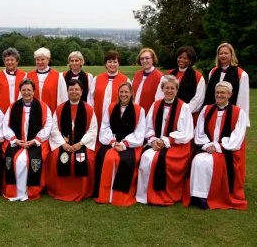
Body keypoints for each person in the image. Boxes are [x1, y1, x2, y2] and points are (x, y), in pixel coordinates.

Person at [185, 81, 247, 210]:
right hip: (206, 147)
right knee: (198, 160)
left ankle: (206, 196)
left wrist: (218, 147)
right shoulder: (206, 109)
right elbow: (199, 132)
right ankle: (196, 195)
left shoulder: (238, 113)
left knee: (209, 163)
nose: (219, 95)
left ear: (230, 94)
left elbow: (237, 137)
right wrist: (207, 145)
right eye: (217, 92)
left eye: (223, 93)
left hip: (226, 150)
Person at [136, 75, 193, 205]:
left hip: (177, 145)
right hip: (156, 143)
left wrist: (166, 141)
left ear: (177, 90)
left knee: (160, 160)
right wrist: (153, 140)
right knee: (146, 158)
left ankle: (163, 193)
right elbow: (148, 126)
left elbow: (186, 132)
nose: (169, 91)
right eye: (166, 88)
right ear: (162, 89)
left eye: (172, 88)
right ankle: (144, 194)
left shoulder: (183, 107)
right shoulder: (156, 105)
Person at [94, 82, 146, 206]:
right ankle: (105, 194)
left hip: (130, 144)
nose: (123, 94)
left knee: (124, 160)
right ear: (118, 93)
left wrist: (125, 143)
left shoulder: (139, 110)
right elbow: (105, 127)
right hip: (111, 142)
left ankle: (119, 195)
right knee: (108, 157)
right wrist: (112, 142)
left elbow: (140, 132)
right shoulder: (111, 107)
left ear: (131, 94)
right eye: (121, 92)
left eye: (126, 92)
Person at [47, 79, 97, 202]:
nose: (74, 92)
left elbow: (92, 130)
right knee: (55, 157)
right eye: (71, 89)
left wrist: (80, 144)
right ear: (67, 91)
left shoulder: (88, 109)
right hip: (63, 144)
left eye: (76, 89)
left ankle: (83, 191)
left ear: (81, 91)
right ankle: (60, 190)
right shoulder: (60, 109)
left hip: (81, 144)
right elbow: (54, 129)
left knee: (87, 159)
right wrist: (63, 144)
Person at [2, 79, 52, 201]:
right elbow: (5, 125)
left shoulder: (43, 107)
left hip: (35, 142)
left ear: (34, 91)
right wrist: (15, 140)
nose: (26, 92)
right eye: (23, 90)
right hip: (17, 142)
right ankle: (14, 190)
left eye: (29, 90)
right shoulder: (13, 107)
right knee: (14, 159)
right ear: (20, 91)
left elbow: (48, 125)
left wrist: (36, 140)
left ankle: (31, 191)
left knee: (27, 159)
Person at [203, 42, 249, 126]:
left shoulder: (241, 74)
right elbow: (209, 94)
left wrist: (241, 120)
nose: (223, 56)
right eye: (221, 53)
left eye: (226, 53)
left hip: (231, 114)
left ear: (232, 55)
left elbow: (243, 99)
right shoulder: (213, 72)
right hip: (213, 113)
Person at [89, 50, 130, 130]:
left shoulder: (125, 80)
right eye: (109, 62)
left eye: (115, 62)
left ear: (118, 64)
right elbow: (90, 98)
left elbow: (129, 100)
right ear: (106, 64)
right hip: (98, 115)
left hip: (118, 115)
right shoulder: (97, 79)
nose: (112, 64)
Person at [167, 46, 205, 124]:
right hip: (168, 113)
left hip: (188, 115)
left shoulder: (197, 77)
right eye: (180, 57)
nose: (181, 60)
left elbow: (198, 99)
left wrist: (183, 112)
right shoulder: (169, 74)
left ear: (190, 61)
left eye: (185, 58)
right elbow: (161, 92)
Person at [26, 47, 68, 113]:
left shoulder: (58, 76)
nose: (40, 62)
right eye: (37, 60)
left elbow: (63, 97)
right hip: (32, 112)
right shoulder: (28, 76)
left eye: (42, 59)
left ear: (48, 60)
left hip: (51, 113)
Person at [0, 47, 27, 113]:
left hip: (20, 112)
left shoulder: (24, 76)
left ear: (17, 61)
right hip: (1, 114)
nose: (9, 62)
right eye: (7, 60)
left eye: (12, 60)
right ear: (4, 62)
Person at [131, 48, 164, 113]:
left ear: (153, 59)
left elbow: (159, 100)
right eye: (142, 59)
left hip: (149, 114)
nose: (144, 60)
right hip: (134, 111)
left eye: (147, 58)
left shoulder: (160, 77)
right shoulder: (137, 75)